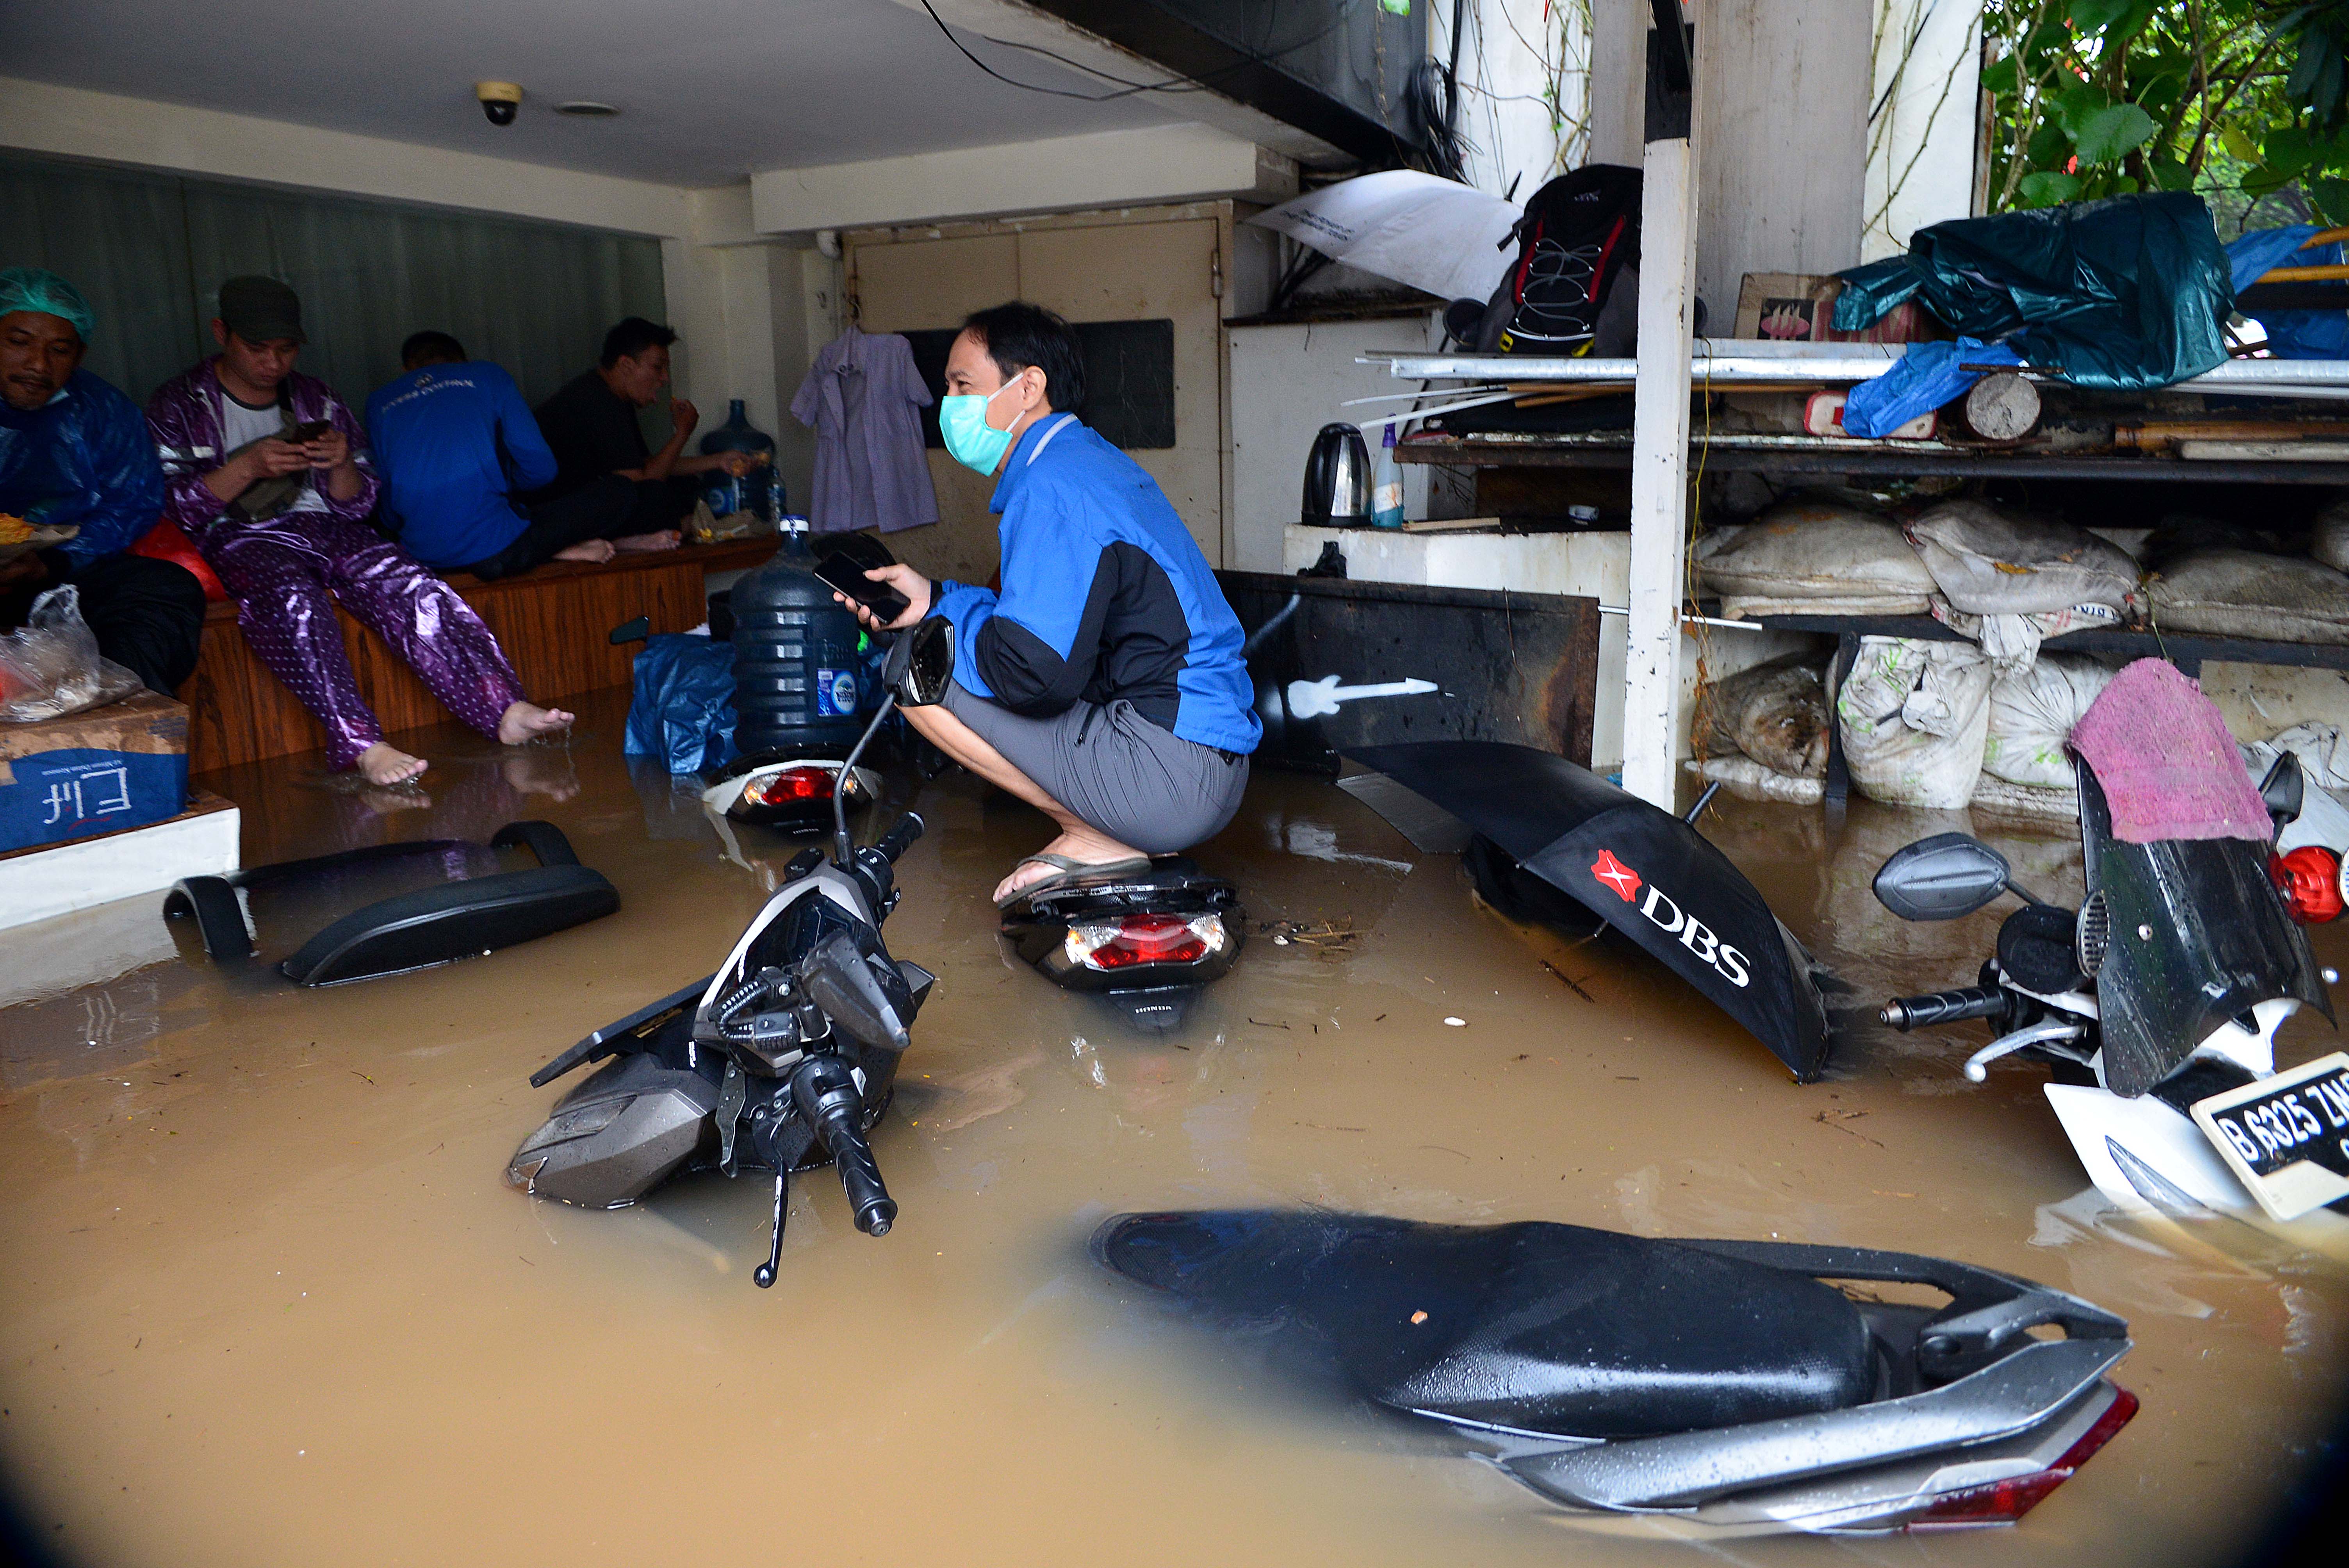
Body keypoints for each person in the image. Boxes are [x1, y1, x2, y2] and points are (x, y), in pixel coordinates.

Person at [836, 302, 1259, 907]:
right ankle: (1113, 828)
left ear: (1027, 386)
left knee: (911, 666)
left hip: (1168, 780)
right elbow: (1047, 624)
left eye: (962, 386)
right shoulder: (1085, 463)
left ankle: (1097, 836)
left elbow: (1032, 674)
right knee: (935, 634)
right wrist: (935, 598)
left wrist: (931, 623)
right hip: (1207, 767)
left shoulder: (1052, 485)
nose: (949, 404)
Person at [146, 276, 572, 787]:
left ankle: (502, 709)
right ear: (222, 333)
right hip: (240, 536)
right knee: (294, 596)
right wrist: (250, 465)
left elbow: (361, 503)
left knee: (407, 576)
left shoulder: (316, 399)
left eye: (286, 350)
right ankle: (361, 742)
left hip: (325, 527)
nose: (274, 363)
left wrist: (342, 463)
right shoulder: (179, 403)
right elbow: (171, 507)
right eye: (257, 349)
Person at [0, 268, 207, 696]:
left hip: (57, 570)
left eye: (59, 349)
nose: (38, 364)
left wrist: (54, 561)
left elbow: (132, 502)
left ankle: (122, 718)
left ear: (79, 356)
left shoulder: (104, 410)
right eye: (18, 342)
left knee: (165, 586)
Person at [365, 330, 640, 579]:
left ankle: (548, 546)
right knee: (621, 491)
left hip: (424, 558)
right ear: (463, 363)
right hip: (498, 553)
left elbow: (389, 512)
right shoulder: (486, 376)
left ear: (405, 370)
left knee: (509, 515)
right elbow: (542, 470)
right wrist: (498, 484)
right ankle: (555, 549)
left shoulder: (379, 404)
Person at [527, 317, 760, 544]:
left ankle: (673, 528)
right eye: (657, 368)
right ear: (626, 365)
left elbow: (646, 465)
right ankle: (654, 534)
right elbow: (645, 481)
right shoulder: (597, 401)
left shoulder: (614, 398)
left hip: (589, 504)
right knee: (653, 497)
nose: (664, 379)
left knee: (685, 487)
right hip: (549, 513)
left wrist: (719, 461)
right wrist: (682, 434)